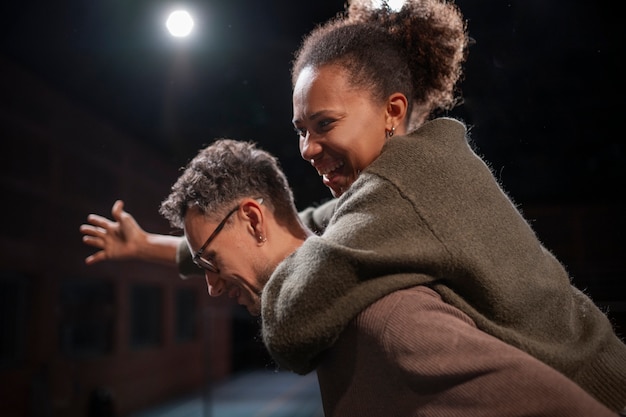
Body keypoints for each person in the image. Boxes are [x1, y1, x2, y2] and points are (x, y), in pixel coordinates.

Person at [81, 0, 626, 413]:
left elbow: (294, 322)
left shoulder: (406, 189)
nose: (308, 149)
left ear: (392, 111)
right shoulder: (396, 181)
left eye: (325, 125)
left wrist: (250, 271)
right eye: (300, 130)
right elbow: (309, 225)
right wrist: (151, 246)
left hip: (596, 387)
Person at [158, 138, 626, 415]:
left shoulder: (384, 315)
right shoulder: (331, 274)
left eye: (209, 262)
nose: (212, 285)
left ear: (256, 221)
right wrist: (145, 246)